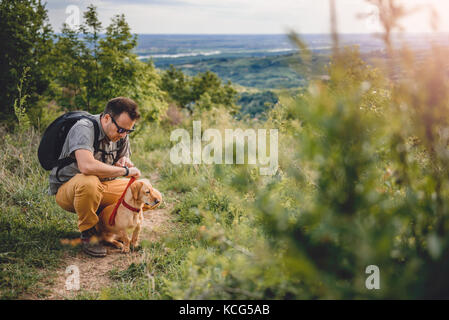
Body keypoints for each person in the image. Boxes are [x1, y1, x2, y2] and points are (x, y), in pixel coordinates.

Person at [49, 97, 142, 257]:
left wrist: (125, 162)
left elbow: (123, 161)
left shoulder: (122, 134)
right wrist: (124, 172)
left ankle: (106, 227)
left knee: (143, 193)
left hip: (102, 187)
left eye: (129, 131)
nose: (124, 134)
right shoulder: (84, 128)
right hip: (70, 189)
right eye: (121, 130)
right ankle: (89, 234)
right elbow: (87, 166)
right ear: (107, 118)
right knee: (89, 182)